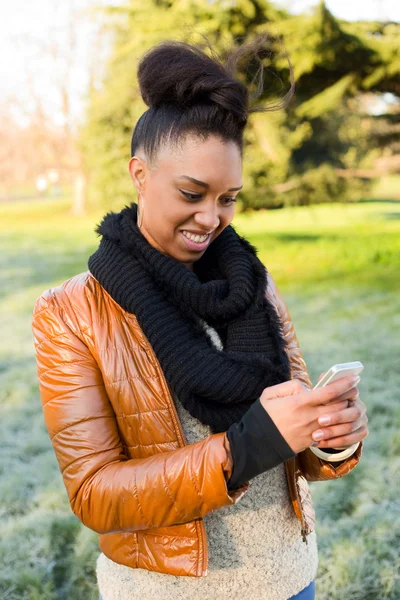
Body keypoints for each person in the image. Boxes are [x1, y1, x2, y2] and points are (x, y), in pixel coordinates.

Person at [31, 36, 368, 600]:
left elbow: (297, 444)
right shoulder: (71, 313)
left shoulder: (253, 284)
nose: (211, 217)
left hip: (290, 579)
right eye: (192, 192)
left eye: (229, 198)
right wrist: (243, 451)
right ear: (140, 174)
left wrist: (331, 438)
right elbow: (94, 493)